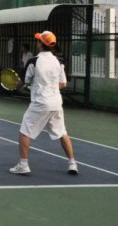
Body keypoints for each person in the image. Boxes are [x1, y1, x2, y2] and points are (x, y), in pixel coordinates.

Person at [10, 31, 78, 176]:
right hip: (56, 103)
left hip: (40, 103)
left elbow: (24, 82)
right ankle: (72, 163)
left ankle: (23, 165)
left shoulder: (34, 61)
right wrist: (47, 87)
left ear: (40, 44)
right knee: (62, 133)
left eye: (38, 40)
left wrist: (17, 85)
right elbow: (63, 83)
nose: (37, 42)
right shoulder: (58, 61)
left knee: (24, 132)